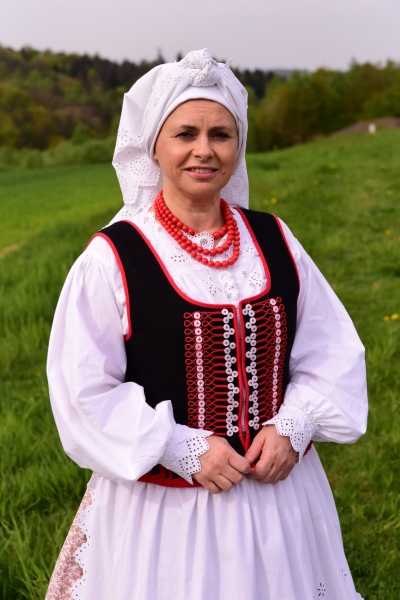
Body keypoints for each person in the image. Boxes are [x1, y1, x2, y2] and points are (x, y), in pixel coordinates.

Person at [46, 49, 367, 600]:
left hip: (279, 497)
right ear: (154, 146)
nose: (204, 149)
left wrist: (293, 426)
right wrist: (180, 447)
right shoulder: (113, 258)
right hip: (167, 511)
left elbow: (330, 349)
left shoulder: (274, 238)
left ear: (238, 146)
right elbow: (84, 391)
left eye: (221, 134)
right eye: (185, 134)